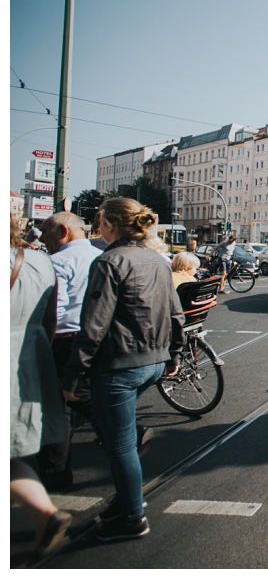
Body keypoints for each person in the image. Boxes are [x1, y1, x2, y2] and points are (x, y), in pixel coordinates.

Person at [62, 198, 185, 542]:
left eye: (99, 220)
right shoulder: (157, 261)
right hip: (153, 363)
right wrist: (173, 355)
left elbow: (94, 325)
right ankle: (126, 499)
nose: (97, 225)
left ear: (110, 225)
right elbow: (176, 314)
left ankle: (132, 518)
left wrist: (73, 374)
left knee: (120, 447)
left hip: (120, 365)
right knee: (119, 434)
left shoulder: (109, 261)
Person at [11, 213, 74, 564]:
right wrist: (41, 350)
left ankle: (43, 511)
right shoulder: (39, 260)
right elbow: (51, 317)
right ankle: (43, 511)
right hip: (32, 349)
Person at [34, 212, 104, 491]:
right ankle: (124, 433)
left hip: (64, 339)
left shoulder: (57, 261)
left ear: (63, 230)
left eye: (45, 232)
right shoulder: (101, 256)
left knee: (58, 404)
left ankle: (55, 471)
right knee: (82, 393)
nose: (41, 239)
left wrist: (45, 343)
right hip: (96, 337)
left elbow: (54, 312)